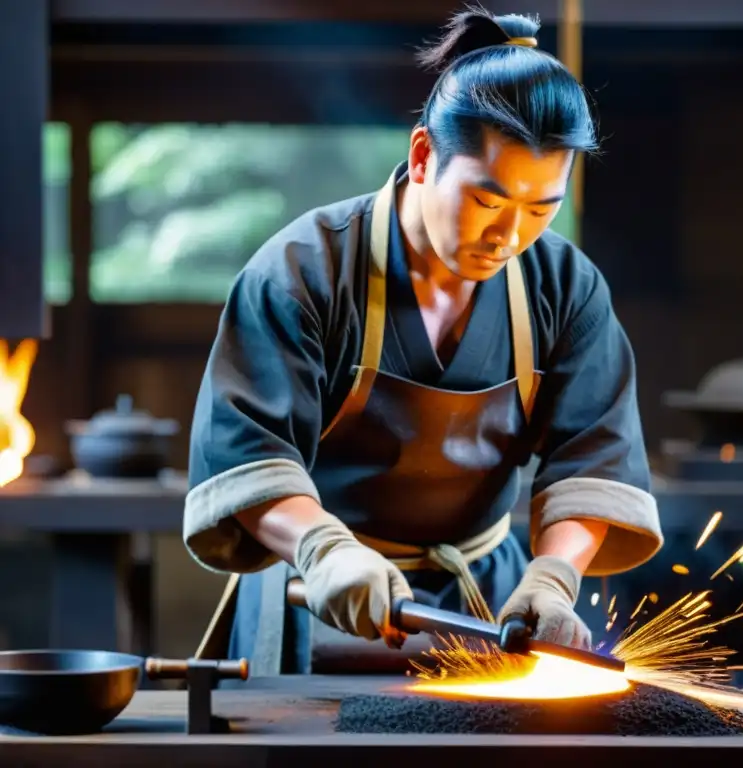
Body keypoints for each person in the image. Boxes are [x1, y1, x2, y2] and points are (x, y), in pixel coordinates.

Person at [182, 6, 664, 675]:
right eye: (488, 202)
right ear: (422, 156)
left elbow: (592, 460)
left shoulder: (565, 287)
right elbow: (247, 453)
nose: (509, 236)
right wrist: (325, 550)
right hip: (318, 601)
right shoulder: (304, 271)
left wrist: (553, 576)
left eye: (541, 209)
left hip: (490, 610)